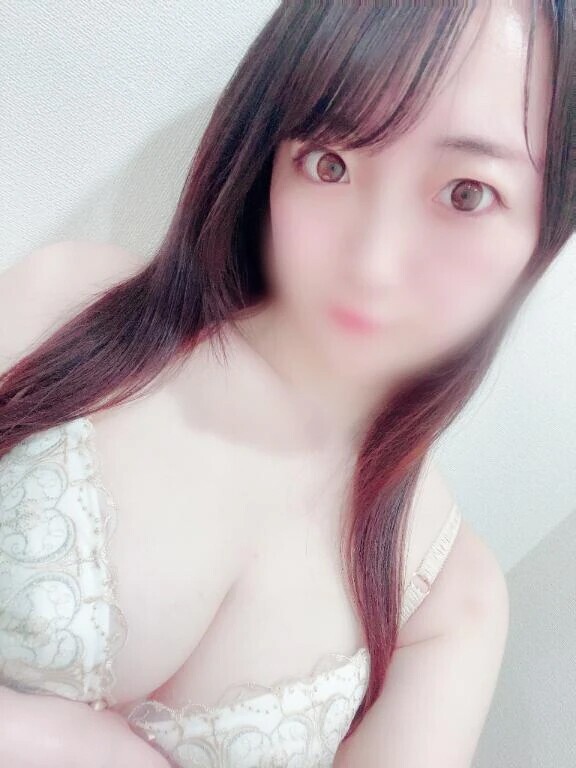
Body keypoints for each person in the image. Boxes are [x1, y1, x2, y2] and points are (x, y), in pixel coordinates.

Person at [0, 1, 573, 766]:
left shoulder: (450, 600)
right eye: (331, 163)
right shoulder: (66, 309)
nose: (373, 261)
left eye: (465, 192)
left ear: (547, 226)